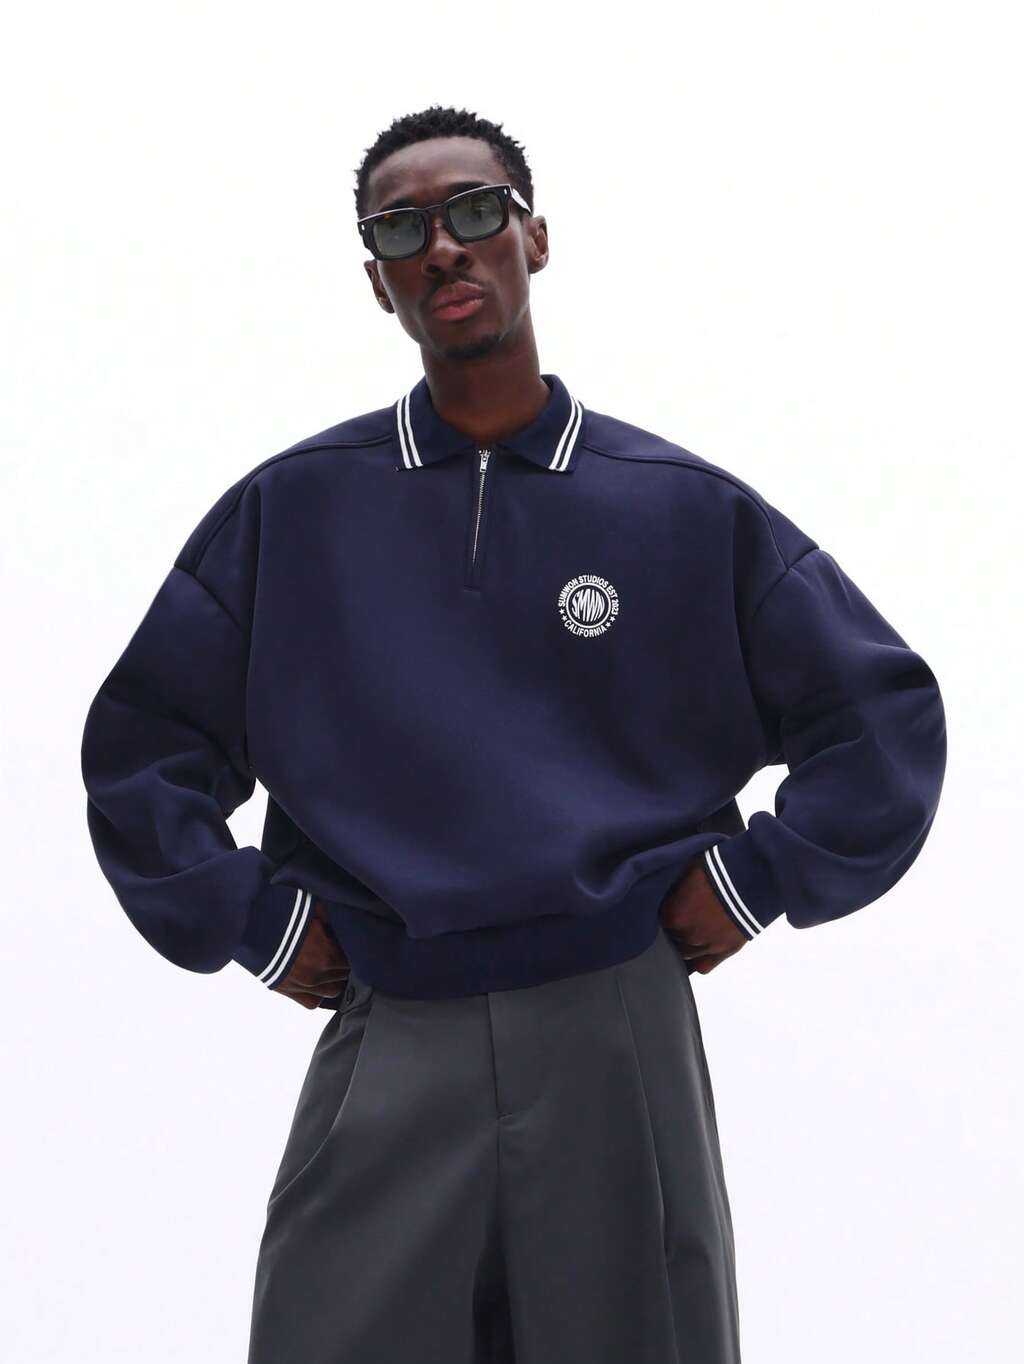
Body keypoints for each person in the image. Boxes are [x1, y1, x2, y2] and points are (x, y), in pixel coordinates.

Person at [80, 104, 947, 1364]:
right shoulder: (293, 510)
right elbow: (141, 748)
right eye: (402, 229)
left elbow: (880, 715)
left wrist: (757, 879)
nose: (442, 245)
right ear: (376, 279)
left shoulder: (677, 509)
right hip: (389, 1017)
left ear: (533, 238)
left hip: (614, 1026)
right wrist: (247, 919)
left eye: (474, 211)